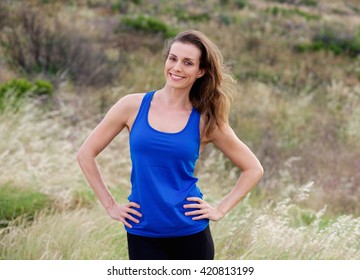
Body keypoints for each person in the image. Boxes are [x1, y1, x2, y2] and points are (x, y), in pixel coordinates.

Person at [77, 30, 263, 260]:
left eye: (188, 63)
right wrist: (110, 205)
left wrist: (220, 209)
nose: (176, 68)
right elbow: (86, 154)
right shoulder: (131, 106)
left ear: (200, 71)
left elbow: (253, 168)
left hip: (190, 234)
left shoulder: (206, 120)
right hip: (142, 231)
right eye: (172, 58)